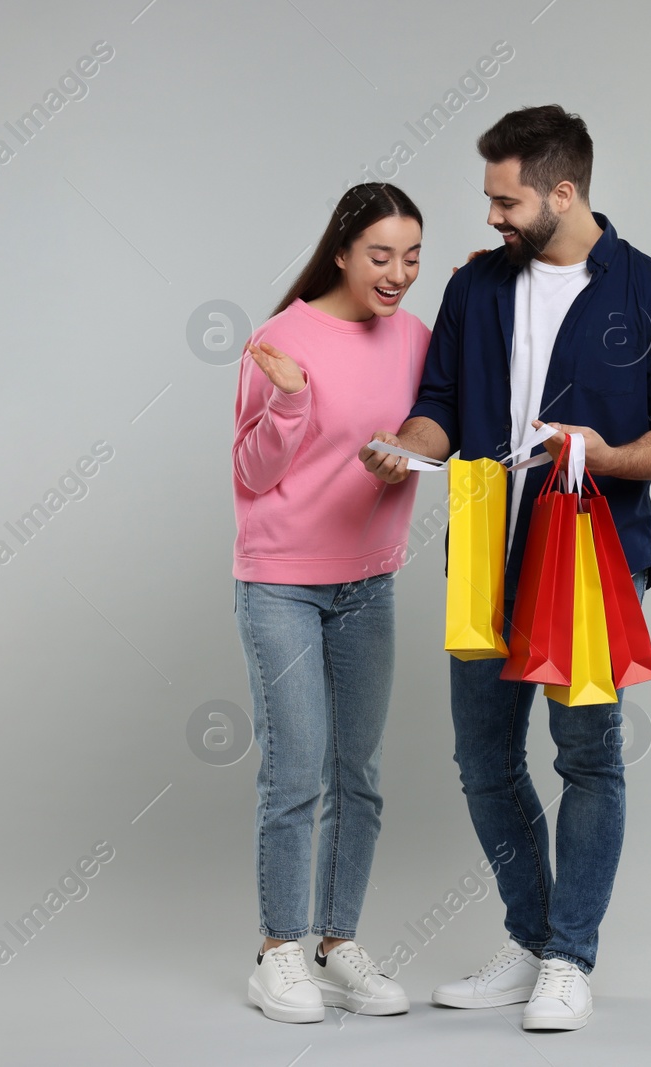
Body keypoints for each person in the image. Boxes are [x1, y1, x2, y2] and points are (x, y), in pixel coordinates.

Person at [359, 105, 651, 1031]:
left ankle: (569, 954)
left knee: (588, 757)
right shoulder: (477, 291)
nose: (490, 216)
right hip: (484, 551)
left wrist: (606, 455)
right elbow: (439, 401)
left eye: (505, 199)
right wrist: (406, 444)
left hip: (594, 558)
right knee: (483, 760)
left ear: (564, 191)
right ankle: (528, 940)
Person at [232, 183, 430, 1023]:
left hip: (370, 577)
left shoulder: (419, 338)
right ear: (343, 251)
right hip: (281, 580)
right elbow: (251, 473)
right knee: (298, 768)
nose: (397, 273)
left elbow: (446, 421)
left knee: (361, 774)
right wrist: (289, 399)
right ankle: (278, 949)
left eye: (412, 257)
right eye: (381, 255)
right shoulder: (280, 339)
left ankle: (335, 941)